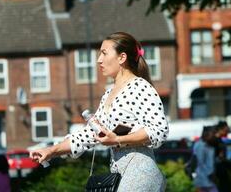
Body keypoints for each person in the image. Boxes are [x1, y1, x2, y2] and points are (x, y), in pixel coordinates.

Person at [30, 32, 169, 191]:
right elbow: (87, 134)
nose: (99, 60)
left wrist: (117, 139)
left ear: (121, 58)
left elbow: (159, 130)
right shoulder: (108, 95)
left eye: (104, 53)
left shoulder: (140, 87)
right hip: (120, 174)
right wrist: (51, 150)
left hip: (141, 172)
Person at [193, 126, 218, 192]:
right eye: (212, 133)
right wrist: (210, 173)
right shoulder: (200, 145)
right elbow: (201, 162)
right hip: (203, 179)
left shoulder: (208, 145)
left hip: (208, 180)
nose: (214, 136)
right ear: (206, 134)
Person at [213, 121, 230, 192]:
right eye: (226, 130)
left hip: (221, 169)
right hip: (217, 171)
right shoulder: (214, 141)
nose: (228, 132)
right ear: (220, 129)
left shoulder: (220, 140)